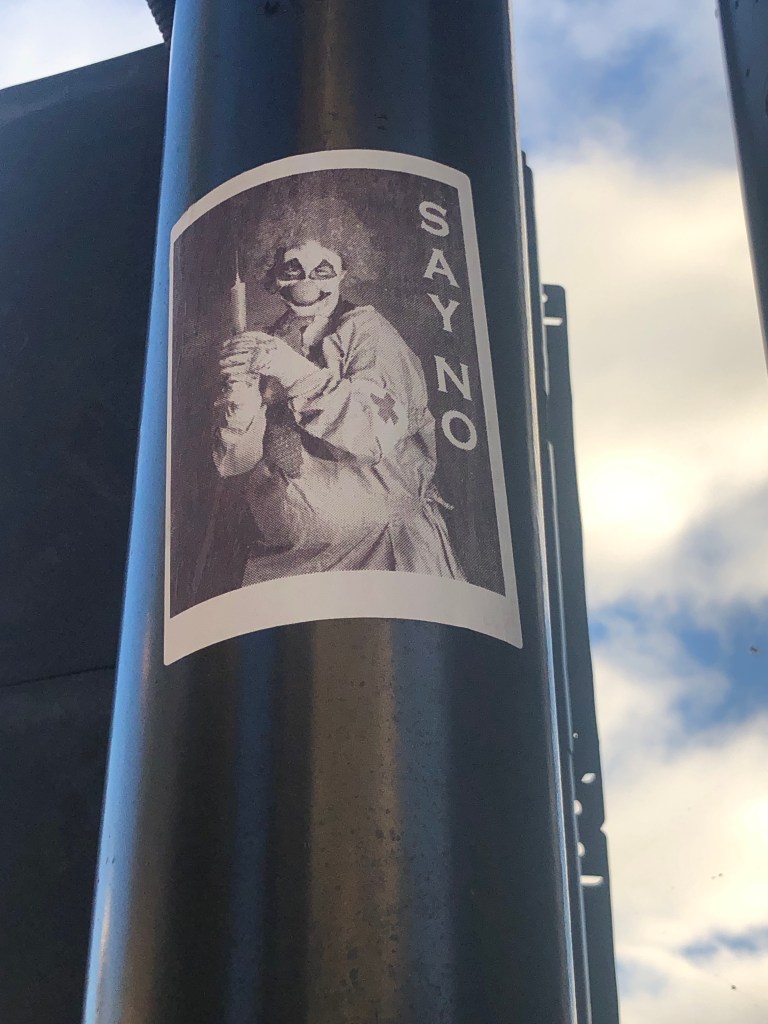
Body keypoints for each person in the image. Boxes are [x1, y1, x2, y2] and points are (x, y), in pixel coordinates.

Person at [213, 223, 464, 587]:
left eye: (322, 271)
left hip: (382, 553)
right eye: (292, 270)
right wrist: (240, 399)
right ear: (274, 276)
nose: (306, 284)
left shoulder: (370, 335)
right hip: (289, 561)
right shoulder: (268, 342)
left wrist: (293, 371)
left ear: (344, 271)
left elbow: (376, 433)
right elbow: (234, 463)